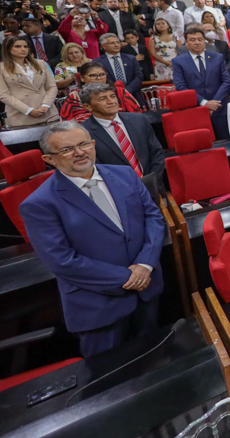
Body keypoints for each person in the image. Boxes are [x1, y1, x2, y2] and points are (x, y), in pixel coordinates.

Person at [22, 121, 165, 357]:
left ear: (94, 144)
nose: (79, 153)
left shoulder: (125, 174)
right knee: (108, 381)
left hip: (146, 292)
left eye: (83, 144)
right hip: (99, 306)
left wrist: (145, 265)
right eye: (66, 149)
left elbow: (153, 218)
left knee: (152, 363)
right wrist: (129, 276)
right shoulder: (39, 204)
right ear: (49, 159)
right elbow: (62, 261)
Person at [80, 83, 164, 187]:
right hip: (118, 191)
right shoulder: (83, 133)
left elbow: (156, 153)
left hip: (152, 186)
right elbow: (95, 168)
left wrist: (153, 182)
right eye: (102, 98)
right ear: (87, 106)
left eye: (113, 96)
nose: (111, 101)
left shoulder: (139, 120)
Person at [172, 26, 230, 140]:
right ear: (186, 42)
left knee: (226, 144)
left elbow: (226, 81)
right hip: (196, 110)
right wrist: (204, 103)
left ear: (204, 41)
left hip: (220, 109)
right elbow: (181, 87)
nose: (197, 42)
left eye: (200, 39)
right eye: (193, 40)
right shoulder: (178, 62)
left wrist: (214, 104)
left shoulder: (217, 57)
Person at [0, 35, 59, 128]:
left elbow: (52, 87)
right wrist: (28, 110)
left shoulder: (40, 63)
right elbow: (3, 95)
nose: (23, 49)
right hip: (20, 116)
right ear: (7, 49)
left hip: (48, 113)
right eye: (18, 46)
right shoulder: (2, 68)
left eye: (25, 46)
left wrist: (46, 106)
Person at [96, 33, 143, 104]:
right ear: (103, 46)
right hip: (111, 96)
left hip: (133, 94)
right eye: (112, 43)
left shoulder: (131, 58)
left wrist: (126, 91)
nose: (116, 45)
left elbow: (139, 76)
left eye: (118, 42)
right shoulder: (97, 62)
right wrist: (115, 92)